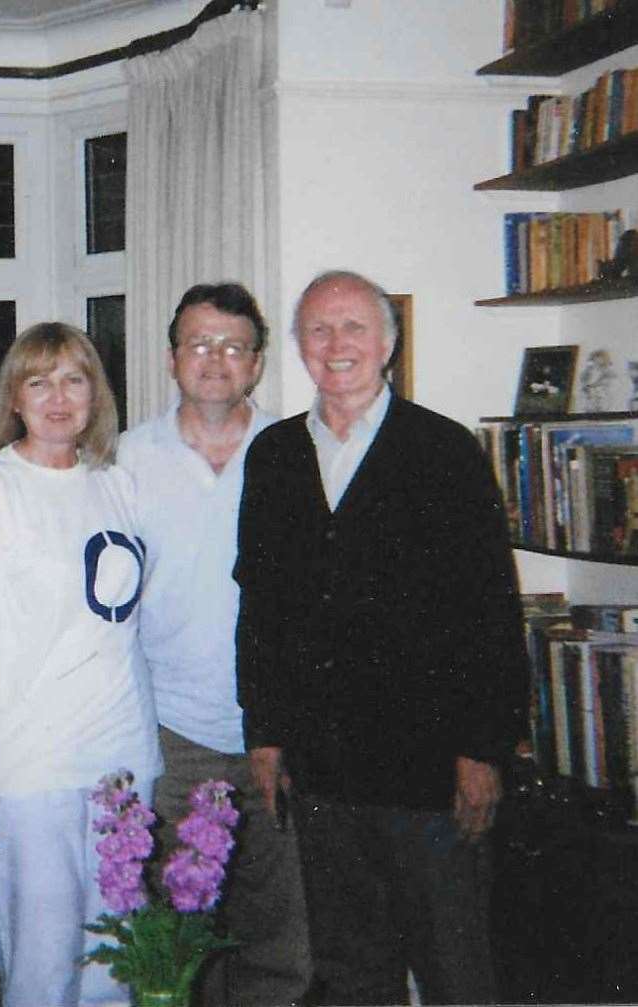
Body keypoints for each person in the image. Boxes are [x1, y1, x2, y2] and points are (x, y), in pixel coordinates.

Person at [234, 270, 528, 1005]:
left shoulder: (442, 450)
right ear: (298, 346)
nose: (338, 345)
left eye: (355, 328)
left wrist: (482, 749)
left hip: (429, 773)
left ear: (388, 344)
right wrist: (265, 734)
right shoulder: (273, 455)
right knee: (351, 969)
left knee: (455, 967)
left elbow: (491, 610)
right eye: (320, 330)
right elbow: (261, 609)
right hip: (324, 773)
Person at [0, 322, 162, 1007]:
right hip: (28, 767)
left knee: (114, 963)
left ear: (96, 394)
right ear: (13, 395)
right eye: (39, 380)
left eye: (74, 378)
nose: (58, 396)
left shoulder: (117, 484)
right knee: (41, 966)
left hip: (123, 757)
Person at [117, 283, 311, 1006]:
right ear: (172, 359)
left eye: (233, 346)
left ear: (257, 363)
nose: (216, 360)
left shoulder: (296, 453)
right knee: (177, 943)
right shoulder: (127, 459)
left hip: (280, 734)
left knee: (280, 940)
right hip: (173, 733)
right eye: (199, 344)